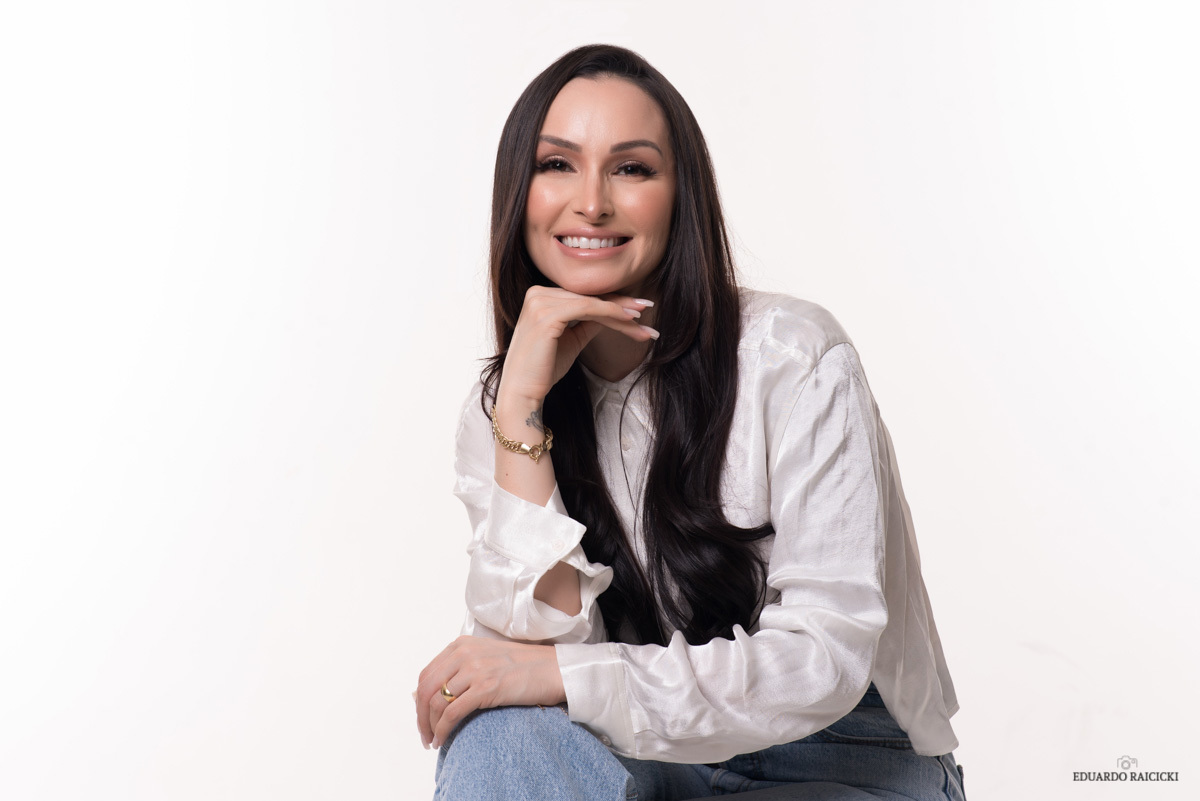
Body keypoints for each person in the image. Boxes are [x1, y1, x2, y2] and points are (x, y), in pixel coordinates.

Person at [414, 44, 967, 801]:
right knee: (502, 735)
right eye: (557, 165)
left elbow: (826, 657)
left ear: (681, 197)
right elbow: (529, 675)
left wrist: (571, 676)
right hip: (648, 760)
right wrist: (520, 414)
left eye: (632, 169)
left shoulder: (792, 358)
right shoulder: (506, 410)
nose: (592, 203)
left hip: (838, 758)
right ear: (520, 191)